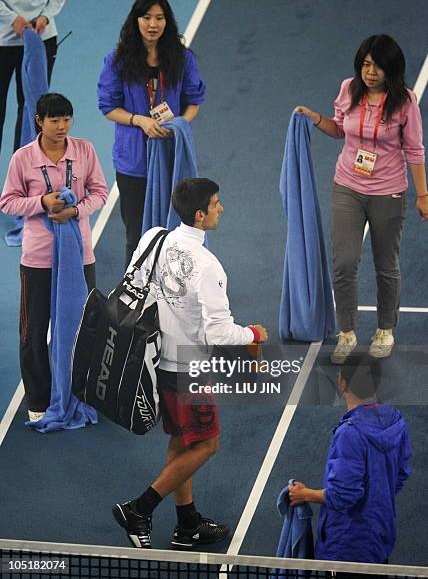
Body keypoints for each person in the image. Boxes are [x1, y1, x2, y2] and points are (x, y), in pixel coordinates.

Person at [112, 177, 268, 549]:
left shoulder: (154, 237)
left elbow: (132, 282)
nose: (221, 209)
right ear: (200, 215)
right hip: (188, 370)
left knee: (183, 442)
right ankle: (140, 508)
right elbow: (218, 333)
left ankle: (188, 525)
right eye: (216, 203)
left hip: (155, 361)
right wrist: (253, 335)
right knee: (207, 444)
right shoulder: (208, 265)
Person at [295, 34, 428, 364]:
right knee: (344, 262)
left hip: (388, 192)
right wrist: (314, 118)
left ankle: (385, 329)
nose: (370, 72)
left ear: (390, 70)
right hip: (347, 187)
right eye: (366, 64)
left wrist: (423, 194)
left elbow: (414, 151)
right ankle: (347, 332)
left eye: (378, 66)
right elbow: (340, 129)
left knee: (386, 266)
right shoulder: (348, 88)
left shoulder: (406, 102)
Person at [0, 93, 108, 421]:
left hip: (79, 256)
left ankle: (80, 392)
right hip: (39, 260)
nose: (62, 126)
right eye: (54, 120)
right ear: (39, 121)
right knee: (34, 331)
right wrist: (41, 203)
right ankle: (38, 399)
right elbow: (7, 202)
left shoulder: (85, 150)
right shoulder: (22, 158)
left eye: (66, 119)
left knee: (83, 328)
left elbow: (100, 192)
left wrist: (76, 210)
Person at [97, 0, 206, 268]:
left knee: (176, 233)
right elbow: (108, 106)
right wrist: (140, 120)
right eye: (146, 17)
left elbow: (193, 101)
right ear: (136, 21)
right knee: (136, 236)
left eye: (159, 18)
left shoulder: (182, 59)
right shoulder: (117, 61)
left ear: (167, 22)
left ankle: (173, 294)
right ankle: (134, 299)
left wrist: (178, 125)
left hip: (172, 157)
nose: (153, 24)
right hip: (133, 162)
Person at [288, 353, 411, 577]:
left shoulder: (349, 434)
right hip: (380, 533)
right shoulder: (396, 420)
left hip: (348, 547)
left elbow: (344, 495)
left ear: (342, 383)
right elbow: (401, 474)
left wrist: (304, 494)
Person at [0, 0, 75, 154]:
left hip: (41, 36)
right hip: (2, 37)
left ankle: (24, 174)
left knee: (32, 109)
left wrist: (46, 16)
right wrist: (10, 18)